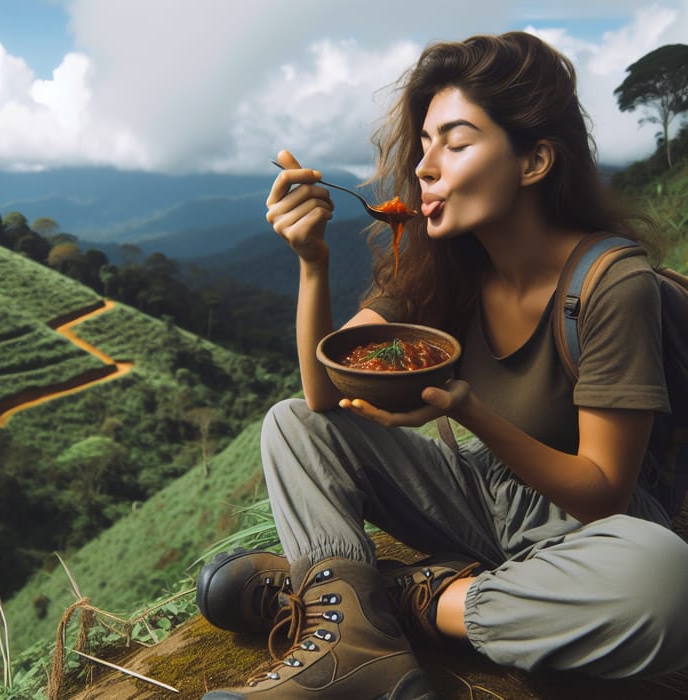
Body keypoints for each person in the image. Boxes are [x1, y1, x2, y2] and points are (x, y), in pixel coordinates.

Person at [198, 31, 688, 699]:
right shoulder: (445, 266)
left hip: (586, 534)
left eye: (455, 143)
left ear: (534, 160)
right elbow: (321, 395)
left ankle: (391, 602)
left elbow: (602, 492)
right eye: (425, 144)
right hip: (474, 499)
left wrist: (468, 408)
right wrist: (312, 264)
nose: (425, 166)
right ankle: (353, 647)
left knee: (663, 581)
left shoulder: (609, 283)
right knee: (291, 424)